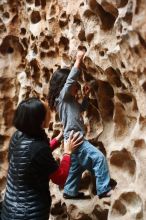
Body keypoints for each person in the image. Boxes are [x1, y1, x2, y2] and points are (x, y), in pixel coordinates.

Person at [1, 97, 83, 220]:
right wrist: (67, 152)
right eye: (47, 112)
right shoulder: (38, 148)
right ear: (39, 120)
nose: (50, 112)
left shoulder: (18, 135)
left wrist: (58, 139)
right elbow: (60, 178)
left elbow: (33, 158)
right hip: (29, 214)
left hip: (10, 209)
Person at [48, 50, 113, 199]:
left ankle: (70, 192)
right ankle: (103, 189)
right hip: (75, 138)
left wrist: (85, 97)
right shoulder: (62, 99)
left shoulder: (69, 102)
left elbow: (81, 109)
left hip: (72, 139)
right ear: (64, 86)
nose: (76, 86)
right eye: (75, 85)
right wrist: (78, 60)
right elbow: (70, 80)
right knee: (98, 158)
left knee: (76, 167)